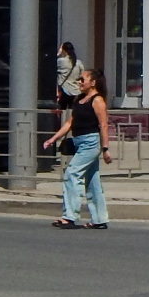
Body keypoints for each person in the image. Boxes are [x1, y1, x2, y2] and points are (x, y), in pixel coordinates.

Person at [42, 69, 110, 229]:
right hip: (80, 142)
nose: (79, 82)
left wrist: (105, 148)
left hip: (91, 143)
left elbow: (104, 125)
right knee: (92, 181)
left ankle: (70, 216)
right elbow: (69, 123)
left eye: (82, 79)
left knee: (72, 174)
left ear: (92, 83)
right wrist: (53, 139)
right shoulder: (80, 99)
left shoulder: (97, 100)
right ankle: (99, 220)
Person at [54, 42, 83, 117]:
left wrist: (58, 53)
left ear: (64, 50)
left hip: (64, 90)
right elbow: (81, 75)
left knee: (61, 112)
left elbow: (51, 62)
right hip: (76, 91)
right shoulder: (78, 63)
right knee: (72, 113)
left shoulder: (61, 61)